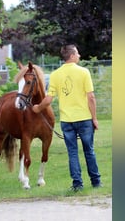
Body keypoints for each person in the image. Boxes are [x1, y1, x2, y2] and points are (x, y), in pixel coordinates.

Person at [32, 44, 102, 191]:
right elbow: (91, 97)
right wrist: (94, 118)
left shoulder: (55, 75)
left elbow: (48, 99)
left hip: (67, 121)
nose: (79, 56)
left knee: (72, 152)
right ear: (71, 56)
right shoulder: (84, 72)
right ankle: (96, 182)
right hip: (84, 119)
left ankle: (77, 184)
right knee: (89, 150)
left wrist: (37, 108)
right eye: (77, 53)